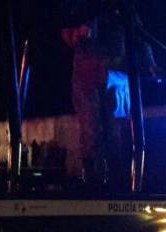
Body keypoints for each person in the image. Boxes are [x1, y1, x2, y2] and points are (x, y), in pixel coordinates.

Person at [61, 0, 156, 186]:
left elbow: (140, 35)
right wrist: (77, 34)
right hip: (86, 75)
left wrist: (150, 63)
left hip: (115, 75)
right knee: (91, 129)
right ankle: (93, 180)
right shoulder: (81, 6)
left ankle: (118, 179)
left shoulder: (124, 7)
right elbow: (66, 29)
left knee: (115, 129)